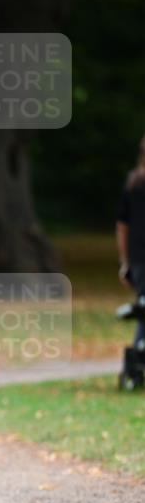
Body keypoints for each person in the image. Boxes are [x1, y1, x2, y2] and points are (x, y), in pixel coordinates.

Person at [116, 135, 145, 351]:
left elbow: (122, 227)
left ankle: (137, 354)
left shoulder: (132, 183)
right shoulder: (134, 184)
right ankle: (138, 352)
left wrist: (125, 262)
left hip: (137, 259)